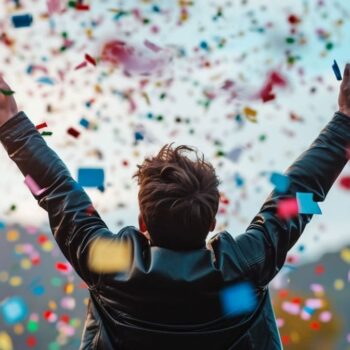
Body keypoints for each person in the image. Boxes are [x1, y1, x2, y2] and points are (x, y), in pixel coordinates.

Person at [0, 64, 350, 350]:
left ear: (142, 220)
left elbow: (59, 193)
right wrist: (344, 122)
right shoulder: (246, 266)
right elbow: (300, 192)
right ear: (212, 220)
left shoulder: (107, 266)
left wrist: (10, 125)